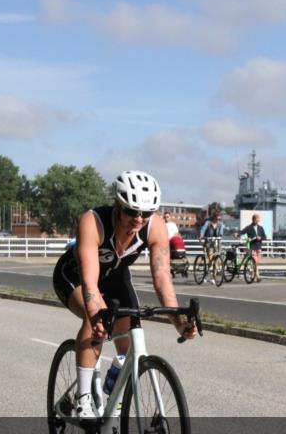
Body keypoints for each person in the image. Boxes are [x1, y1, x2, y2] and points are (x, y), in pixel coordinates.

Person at [52, 170, 197, 419]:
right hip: (74, 276)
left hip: (117, 278)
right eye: (132, 211)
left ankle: (114, 395)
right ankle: (82, 399)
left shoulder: (156, 227)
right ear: (118, 205)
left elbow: (162, 279)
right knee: (93, 320)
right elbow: (89, 282)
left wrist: (178, 321)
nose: (139, 219)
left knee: (130, 341)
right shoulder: (93, 221)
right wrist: (98, 316)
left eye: (146, 213)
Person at [198, 211, 224, 284]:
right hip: (209, 242)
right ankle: (207, 274)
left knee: (216, 260)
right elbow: (203, 229)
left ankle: (213, 277)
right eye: (217, 219)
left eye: (219, 219)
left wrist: (220, 236)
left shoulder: (220, 224)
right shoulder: (208, 223)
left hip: (217, 242)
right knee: (211, 259)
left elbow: (221, 231)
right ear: (214, 217)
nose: (218, 220)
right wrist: (201, 235)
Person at [241, 213, 267, 282]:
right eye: (257, 219)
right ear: (254, 220)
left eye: (258, 220)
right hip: (252, 247)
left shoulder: (261, 228)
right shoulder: (249, 227)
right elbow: (242, 232)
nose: (258, 221)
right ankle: (258, 276)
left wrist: (260, 238)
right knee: (254, 262)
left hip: (258, 247)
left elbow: (264, 237)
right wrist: (237, 233)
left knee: (256, 263)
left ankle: (253, 276)